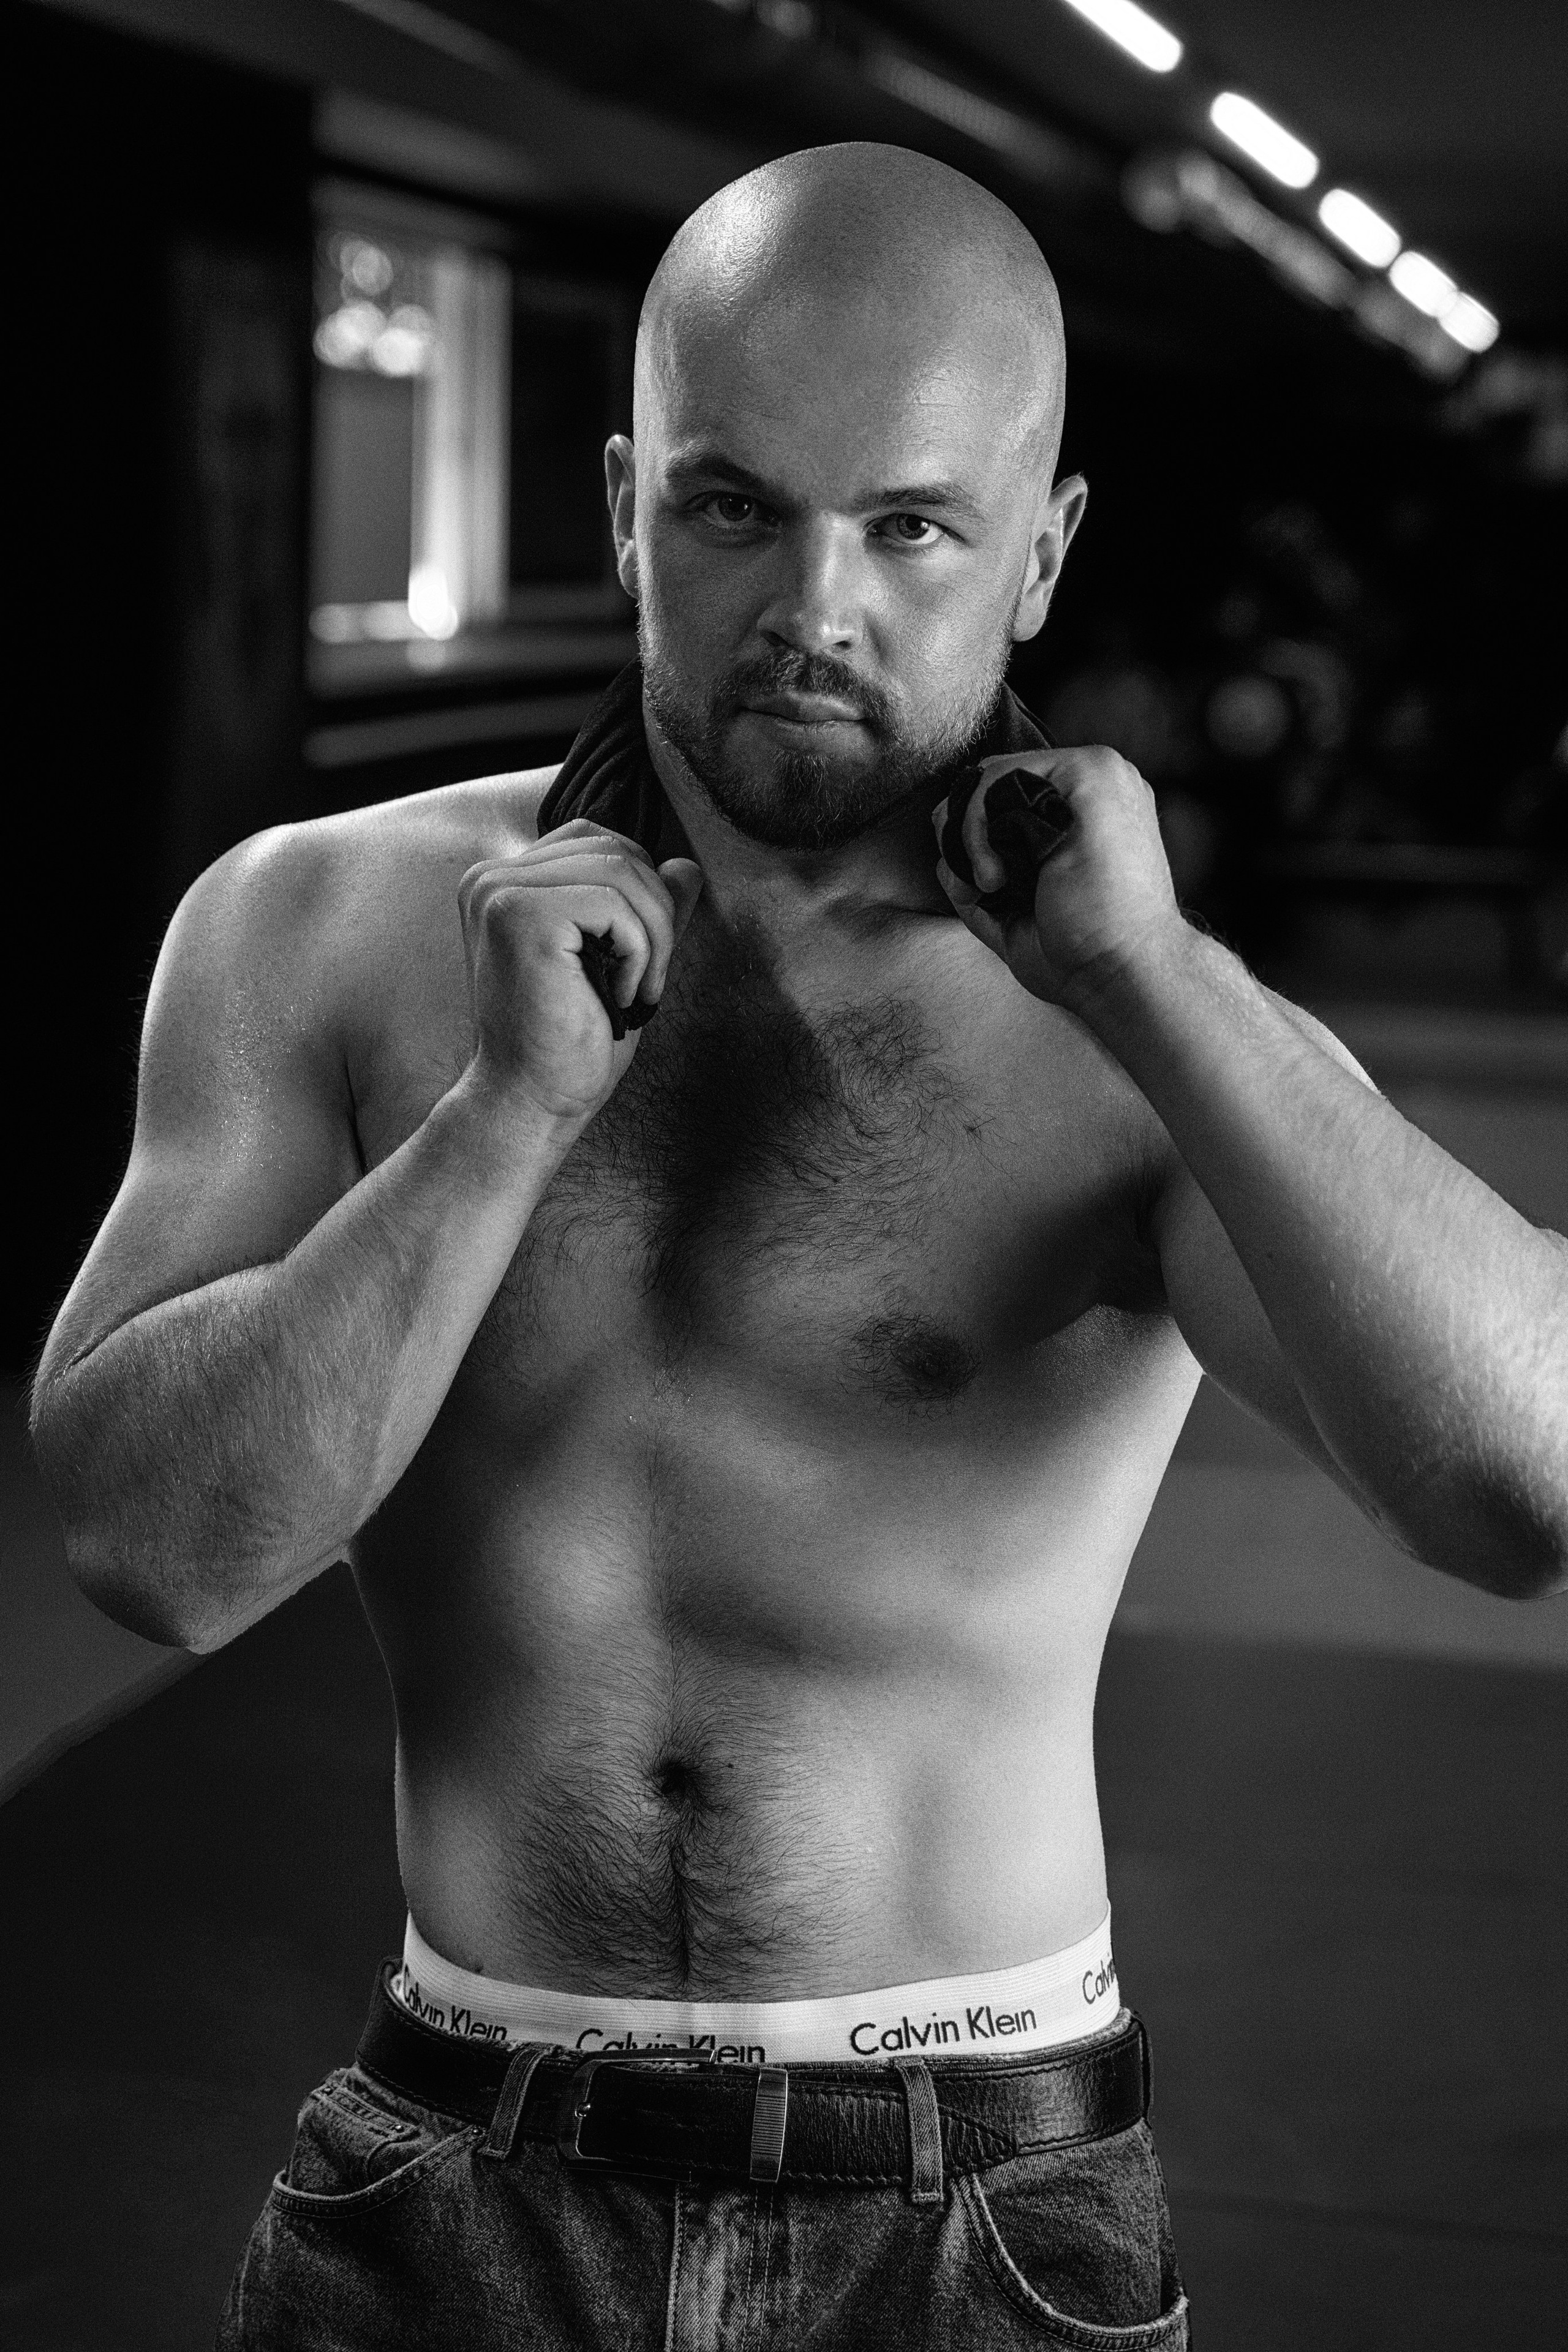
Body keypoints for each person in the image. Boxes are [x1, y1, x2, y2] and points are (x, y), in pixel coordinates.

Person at [31, 143, 1567, 2350]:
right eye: (735, 505)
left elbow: (1523, 1492)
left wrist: (1156, 983)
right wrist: (500, 1125)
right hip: (455, 2162)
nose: (813, 609)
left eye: (913, 525)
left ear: (1038, 558)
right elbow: (146, 1547)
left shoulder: (1140, 1031)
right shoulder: (317, 927)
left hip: (974, 2206)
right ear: (623, 499)